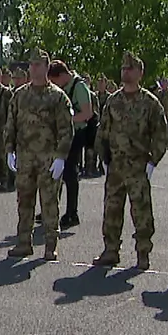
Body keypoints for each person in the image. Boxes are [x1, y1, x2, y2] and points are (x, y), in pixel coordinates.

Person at [93, 51, 168, 270]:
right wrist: (104, 158)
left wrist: (153, 161)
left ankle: (143, 254)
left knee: (142, 212)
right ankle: (111, 250)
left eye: (130, 68)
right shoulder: (113, 101)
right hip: (116, 166)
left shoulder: (150, 102)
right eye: (124, 68)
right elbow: (103, 131)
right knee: (112, 210)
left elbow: (162, 134)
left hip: (138, 166)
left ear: (140, 73)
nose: (125, 72)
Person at [5, 48, 73, 261]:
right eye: (31, 65)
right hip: (25, 158)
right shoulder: (20, 95)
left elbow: (65, 129)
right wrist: (9, 151)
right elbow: (11, 125)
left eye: (38, 65)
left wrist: (61, 156)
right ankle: (24, 242)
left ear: (46, 67)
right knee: (24, 202)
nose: (33, 69)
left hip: (48, 159)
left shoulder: (57, 97)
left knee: (49, 203)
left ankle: (51, 244)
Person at [49, 60, 95, 228]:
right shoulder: (64, 87)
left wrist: (66, 119)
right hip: (63, 133)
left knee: (70, 173)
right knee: (56, 171)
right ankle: (52, 209)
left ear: (62, 76)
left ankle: (72, 212)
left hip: (77, 133)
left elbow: (87, 113)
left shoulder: (79, 87)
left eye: (54, 81)